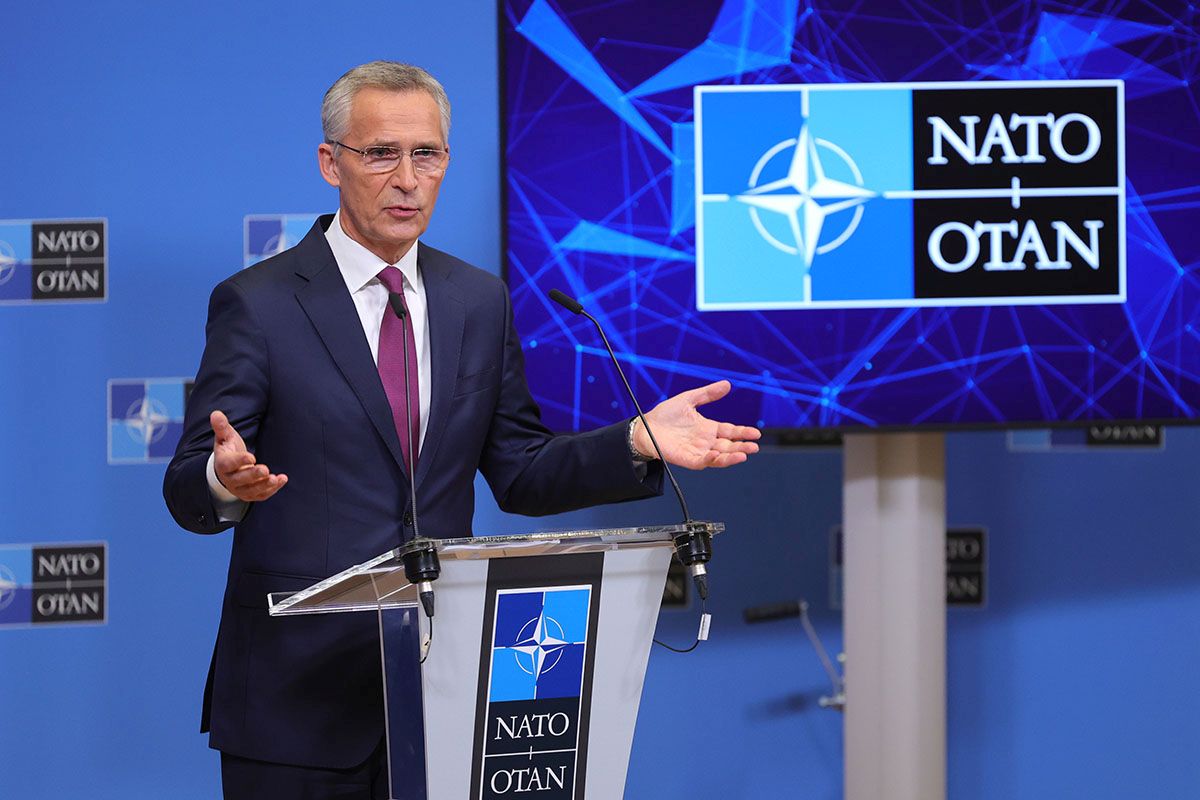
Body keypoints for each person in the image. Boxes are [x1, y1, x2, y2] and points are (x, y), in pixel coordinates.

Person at [163, 60, 760, 799]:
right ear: (331, 163)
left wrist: (632, 443)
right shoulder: (259, 304)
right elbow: (188, 485)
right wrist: (225, 479)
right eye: (382, 153)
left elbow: (520, 471)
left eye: (428, 154)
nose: (408, 179)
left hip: (448, 689)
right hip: (299, 701)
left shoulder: (477, 300)